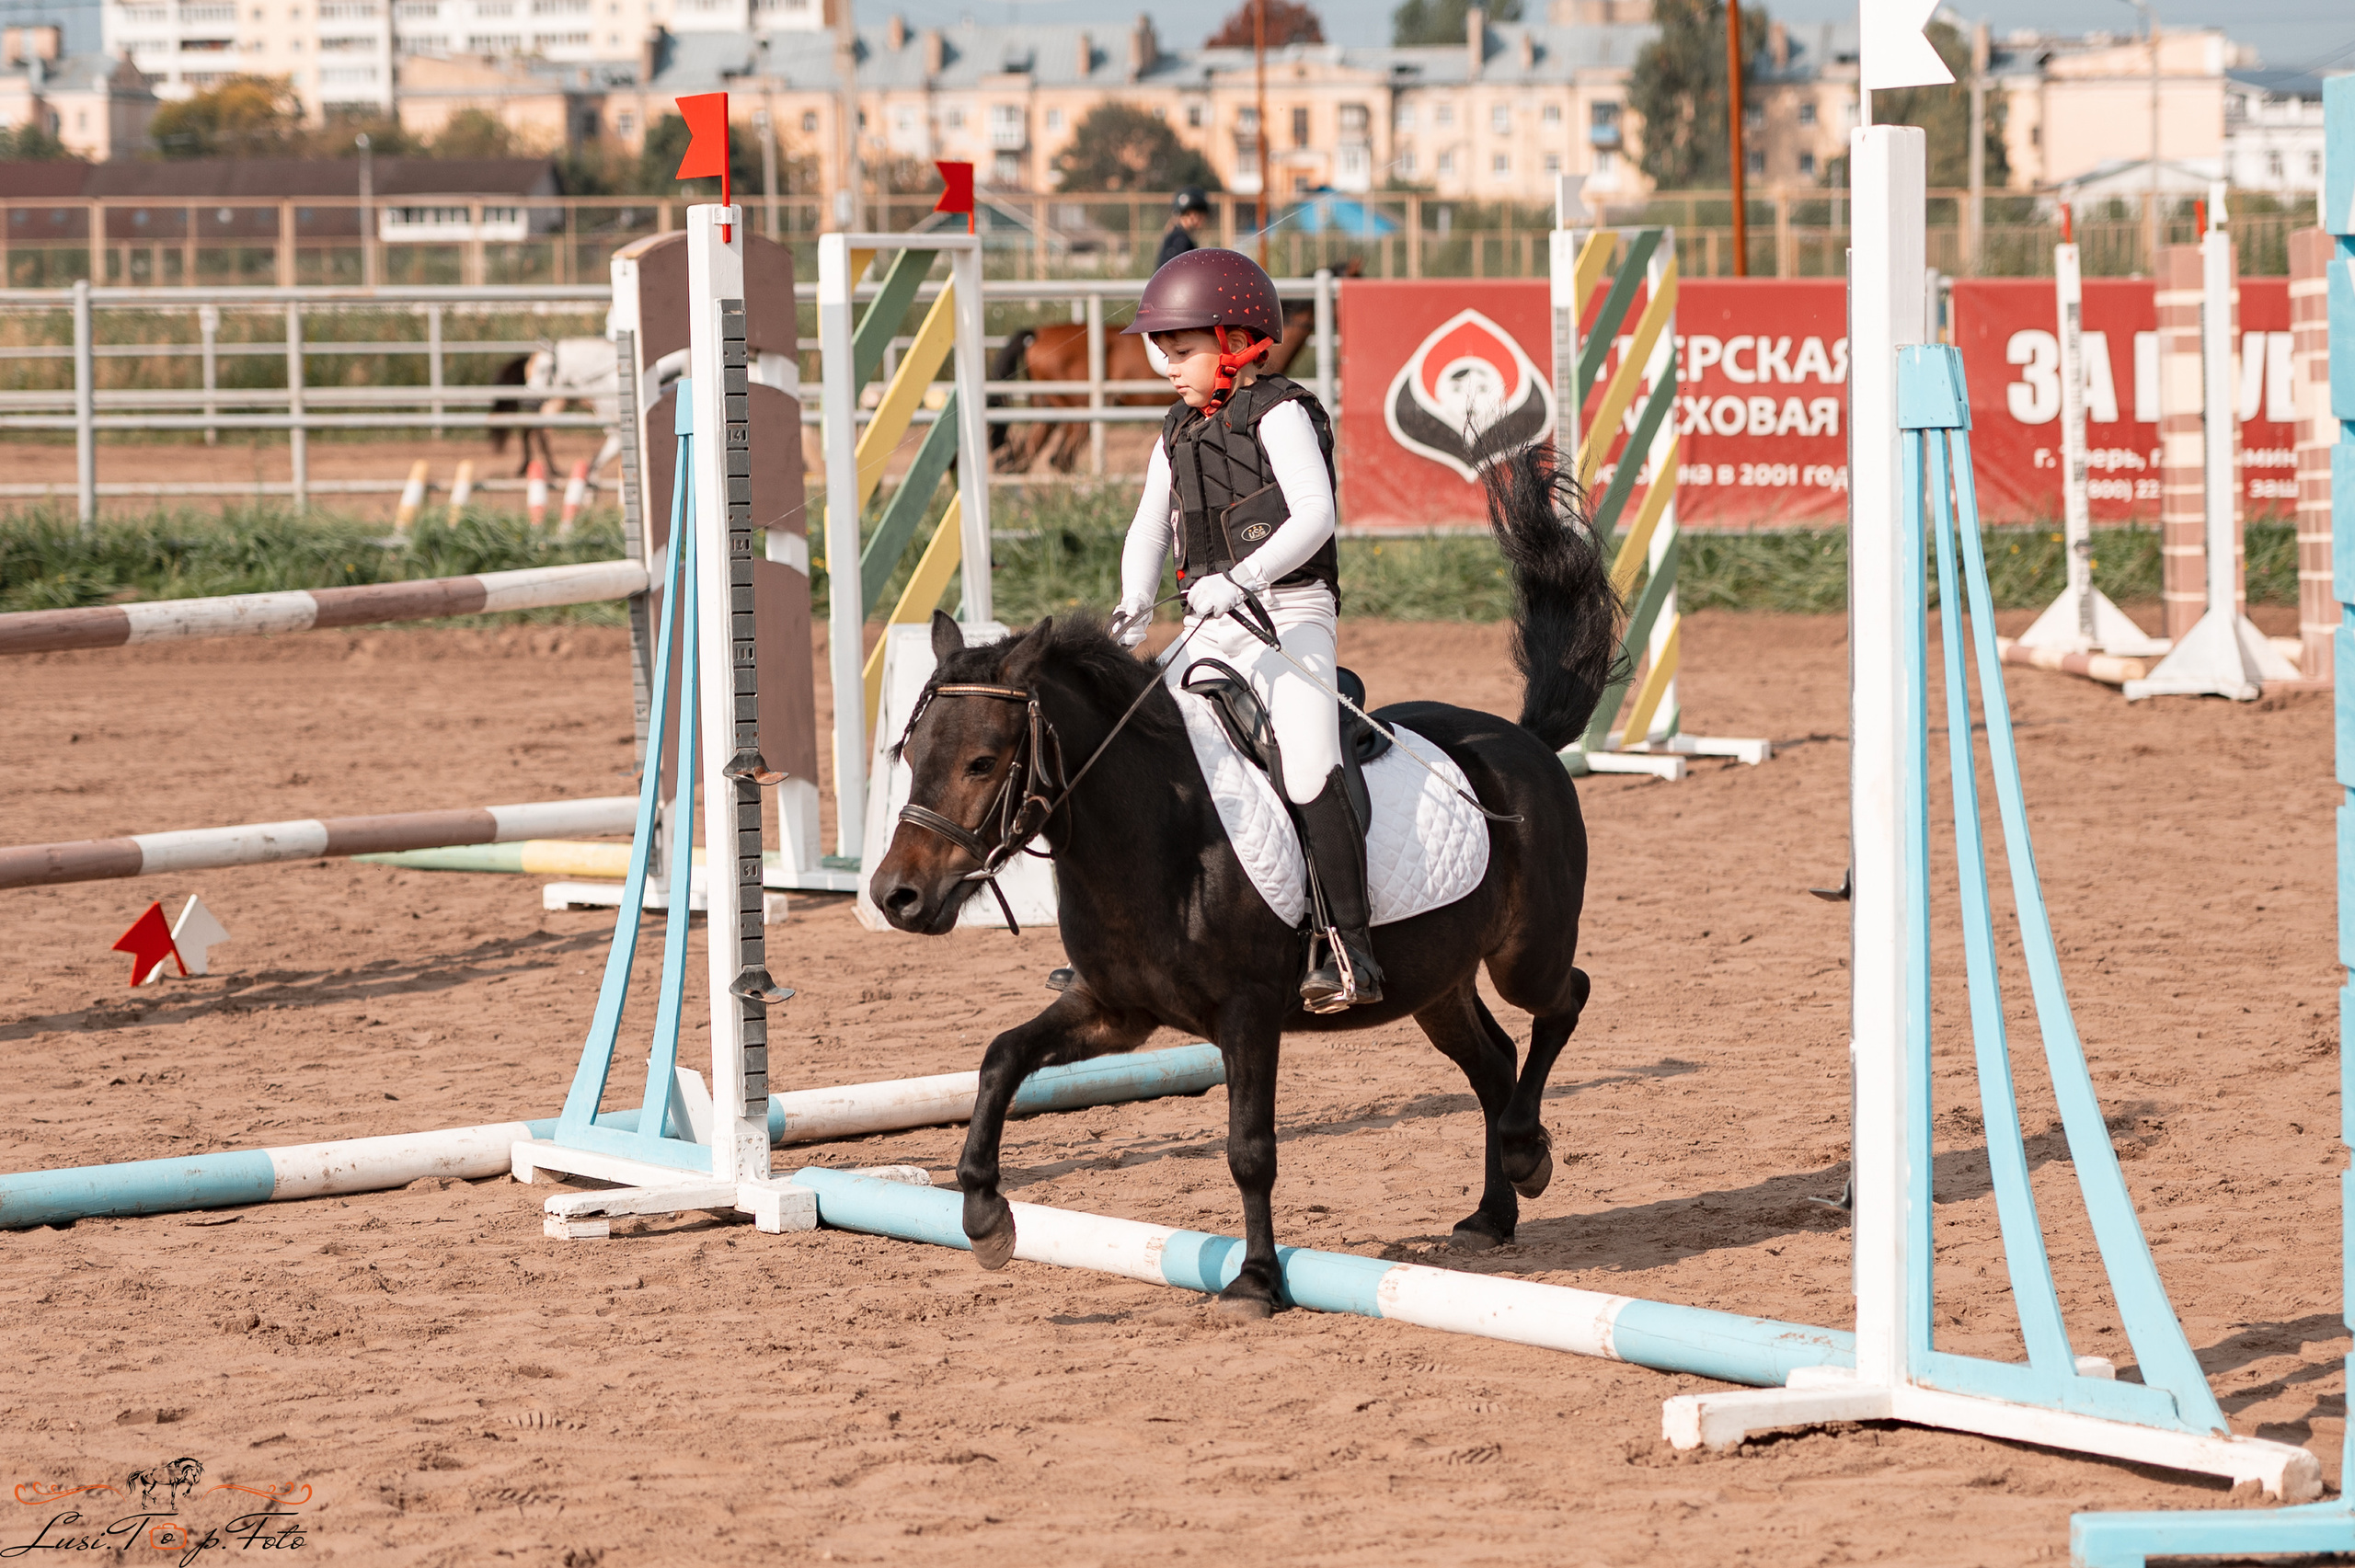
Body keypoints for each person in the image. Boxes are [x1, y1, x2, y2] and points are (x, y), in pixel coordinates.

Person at [1112, 247, 1381, 1013]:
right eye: (1164, 351)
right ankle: (1123, 948)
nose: (1169, 366)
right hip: (1208, 622)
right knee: (1132, 753)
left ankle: (1348, 949)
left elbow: (1316, 514)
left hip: (1290, 616)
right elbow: (1148, 528)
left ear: (1235, 343)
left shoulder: (1281, 412)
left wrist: (1243, 578)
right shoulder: (1177, 429)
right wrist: (1134, 604)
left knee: (1306, 765)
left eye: (1182, 350)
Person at [1155, 187, 1213, 271]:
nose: (1203, 220)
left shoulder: (1175, 236)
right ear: (1192, 215)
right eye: (1202, 215)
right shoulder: (1181, 240)